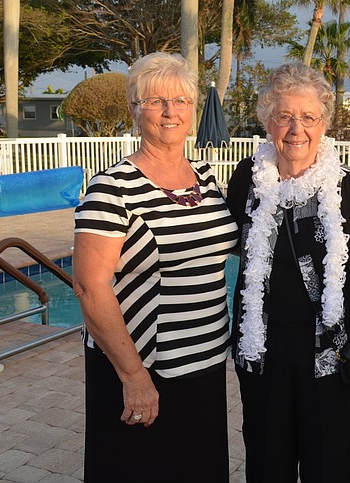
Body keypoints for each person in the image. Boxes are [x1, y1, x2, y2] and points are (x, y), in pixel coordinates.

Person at [72, 52, 238, 482]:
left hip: (202, 364)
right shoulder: (112, 187)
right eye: (156, 101)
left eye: (181, 101)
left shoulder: (206, 177)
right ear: (134, 109)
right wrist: (134, 376)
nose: (171, 111)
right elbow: (90, 287)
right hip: (145, 367)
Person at [226, 62, 350, 483]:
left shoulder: (347, 186)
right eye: (284, 116)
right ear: (267, 121)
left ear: (324, 124)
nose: (296, 128)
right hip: (263, 352)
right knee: (266, 463)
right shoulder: (247, 178)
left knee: (328, 465)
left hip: (327, 355)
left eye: (308, 117)